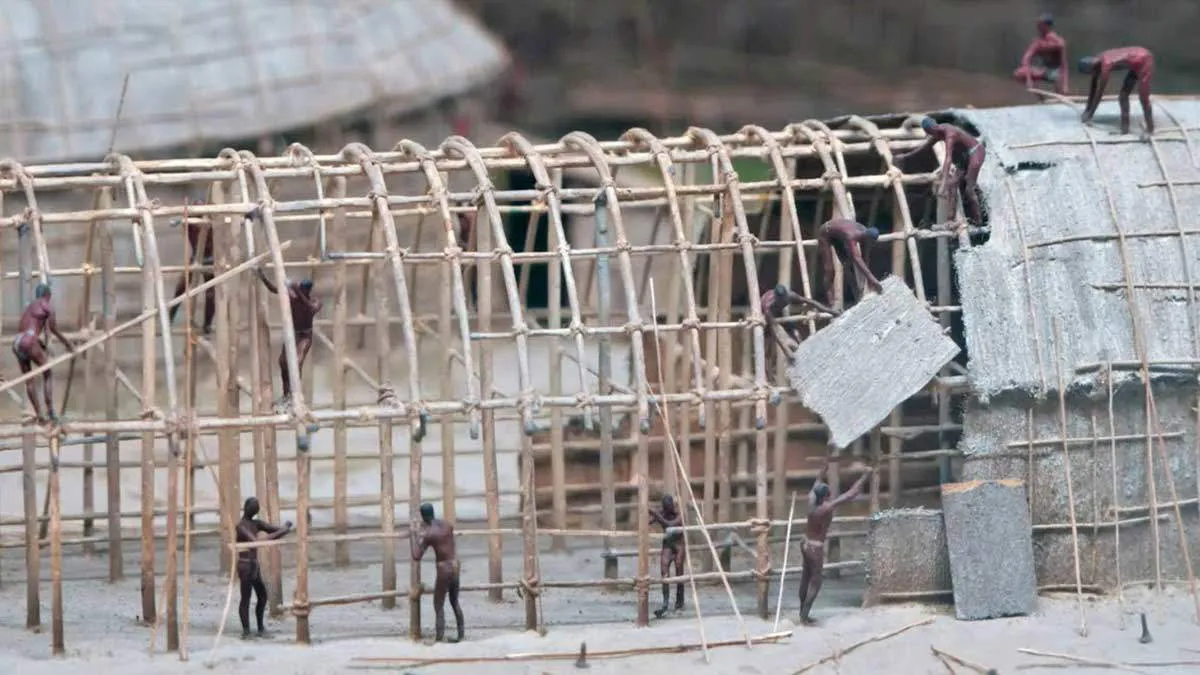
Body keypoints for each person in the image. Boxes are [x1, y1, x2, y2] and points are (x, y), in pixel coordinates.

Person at [248, 209, 322, 407]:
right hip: (291, 332)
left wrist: (295, 289)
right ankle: (287, 394)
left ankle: (296, 398)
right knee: (282, 363)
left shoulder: (313, 302)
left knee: (296, 362)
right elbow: (274, 289)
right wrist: (262, 275)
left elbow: (308, 307)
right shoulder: (292, 295)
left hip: (304, 335)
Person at [799, 463, 872, 625]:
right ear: (825, 496)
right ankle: (804, 615)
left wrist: (824, 466)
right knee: (816, 581)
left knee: (805, 576)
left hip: (805, 543)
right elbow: (851, 494)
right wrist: (865, 476)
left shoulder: (811, 501)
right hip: (815, 547)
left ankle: (801, 613)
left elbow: (817, 481)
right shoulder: (825, 508)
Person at [896, 117, 987, 226]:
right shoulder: (937, 133)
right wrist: (905, 156)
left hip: (976, 152)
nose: (932, 135)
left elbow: (948, 160)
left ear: (934, 128)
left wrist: (943, 185)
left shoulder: (950, 133)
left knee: (969, 189)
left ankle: (979, 222)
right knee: (952, 184)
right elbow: (925, 147)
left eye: (931, 132)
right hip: (964, 156)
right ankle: (950, 219)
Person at [12, 283, 75, 423]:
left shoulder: (29, 307)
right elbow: (53, 328)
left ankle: (39, 414)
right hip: (28, 341)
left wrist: (40, 344)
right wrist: (68, 343)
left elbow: (27, 329)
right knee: (47, 372)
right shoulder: (46, 305)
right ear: (48, 295)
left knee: (29, 379)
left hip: (17, 342)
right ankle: (51, 412)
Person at [235, 497, 292, 639]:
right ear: (246, 507)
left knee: (262, 596)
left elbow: (275, 529)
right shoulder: (241, 526)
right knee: (246, 598)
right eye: (253, 506)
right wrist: (283, 530)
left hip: (254, 564)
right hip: (245, 564)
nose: (256, 508)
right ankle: (246, 631)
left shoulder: (256, 523)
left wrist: (285, 527)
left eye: (257, 506)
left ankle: (260, 627)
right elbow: (255, 542)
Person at [411, 502, 464, 642]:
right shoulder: (447, 526)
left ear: (423, 516)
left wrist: (415, 537)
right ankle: (461, 635)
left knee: (438, 604)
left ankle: (439, 638)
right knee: (454, 601)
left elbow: (416, 556)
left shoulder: (429, 534)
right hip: (455, 564)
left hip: (444, 568)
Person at [1078, 47, 1156, 135]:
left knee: (1143, 97)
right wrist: (1087, 110)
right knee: (1123, 96)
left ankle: (1150, 129)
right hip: (1135, 64)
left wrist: (1090, 115)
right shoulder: (1098, 59)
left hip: (1145, 59)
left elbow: (1099, 93)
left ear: (1091, 69)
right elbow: (1093, 88)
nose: (1093, 75)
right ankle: (1124, 128)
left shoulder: (1106, 65)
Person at [167, 200, 216, 334]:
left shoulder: (212, 222)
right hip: (195, 258)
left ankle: (207, 325)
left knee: (211, 293)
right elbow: (175, 222)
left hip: (210, 260)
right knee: (181, 287)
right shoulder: (189, 222)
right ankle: (169, 318)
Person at [759, 284, 839, 358]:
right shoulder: (768, 306)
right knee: (769, 343)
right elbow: (775, 329)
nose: (783, 301)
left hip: (779, 312)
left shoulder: (790, 295)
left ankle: (802, 351)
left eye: (784, 299)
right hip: (767, 315)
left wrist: (830, 311)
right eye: (780, 300)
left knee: (795, 333)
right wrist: (786, 351)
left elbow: (811, 302)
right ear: (776, 298)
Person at [815, 219, 883, 306]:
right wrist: (872, 279)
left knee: (847, 266)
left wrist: (869, 277)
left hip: (838, 235)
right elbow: (857, 259)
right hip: (825, 233)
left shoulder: (863, 229)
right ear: (867, 238)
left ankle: (857, 297)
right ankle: (831, 301)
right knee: (830, 270)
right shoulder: (851, 235)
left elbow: (862, 257)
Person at [1012, 14, 1068, 95]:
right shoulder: (1037, 42)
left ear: (1047, 26)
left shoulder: (1059, 42)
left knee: (1059, 81)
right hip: (1045, 71)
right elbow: (1026, 59)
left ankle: (1060, 96)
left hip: (1057, 72)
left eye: (1040, 24)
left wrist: (1065, 85)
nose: (1038, 27)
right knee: (1018, 74)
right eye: (1038, 24)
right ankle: (1041, 98)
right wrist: (1029, 79)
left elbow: (1064, 65)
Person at [648, 495, 685, 618]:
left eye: (669, 506)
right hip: (667, 546)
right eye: (665, 507)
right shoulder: (662, 513)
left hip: (679, 546)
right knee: (664, 573)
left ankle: (679, 602)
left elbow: (670, 525)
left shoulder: (680, 515)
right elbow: (647, 521)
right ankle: (665, 604)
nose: (668, 508)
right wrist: (649, 512)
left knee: (679, 573)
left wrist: (658, 516)